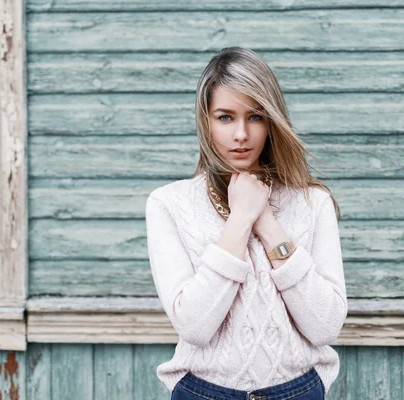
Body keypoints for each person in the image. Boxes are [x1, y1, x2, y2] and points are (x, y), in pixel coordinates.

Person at [145, 46, 347, 400]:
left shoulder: (313, 203)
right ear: (205, 121)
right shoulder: (169, 204)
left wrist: (266, 219)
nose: (241, 134)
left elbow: (325, 326)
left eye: (255, 117)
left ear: (272, 121)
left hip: (297, 391)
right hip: (202, 392)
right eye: (225, 117)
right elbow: (194, 325)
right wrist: (240, 218)